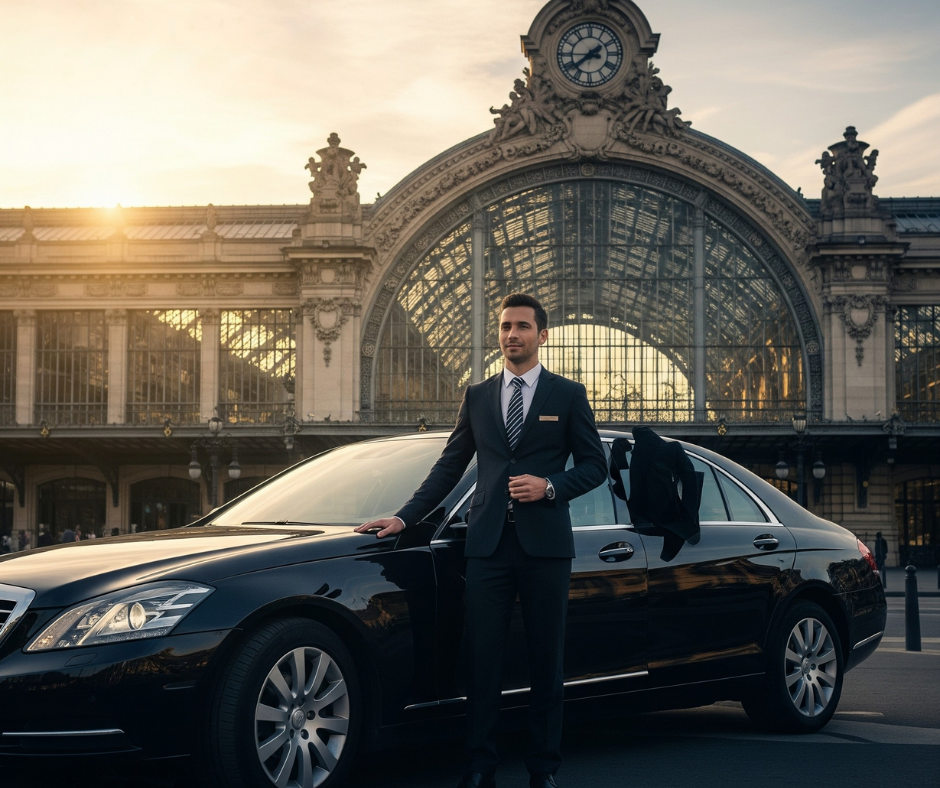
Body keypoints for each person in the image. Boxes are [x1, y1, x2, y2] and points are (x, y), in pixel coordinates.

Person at [356, 293, 607, 788]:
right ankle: (479, 766)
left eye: (522, 327)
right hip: (487, 547)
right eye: (505, 327)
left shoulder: (568, 395)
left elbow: (596, 465)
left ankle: (544, 769)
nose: (511, 335)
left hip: (546, 549)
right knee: (482, 661)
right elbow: (449, 465)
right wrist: (405, 518)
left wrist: (551, 486)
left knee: (545, 660)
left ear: (542, 335)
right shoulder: (477, 396)